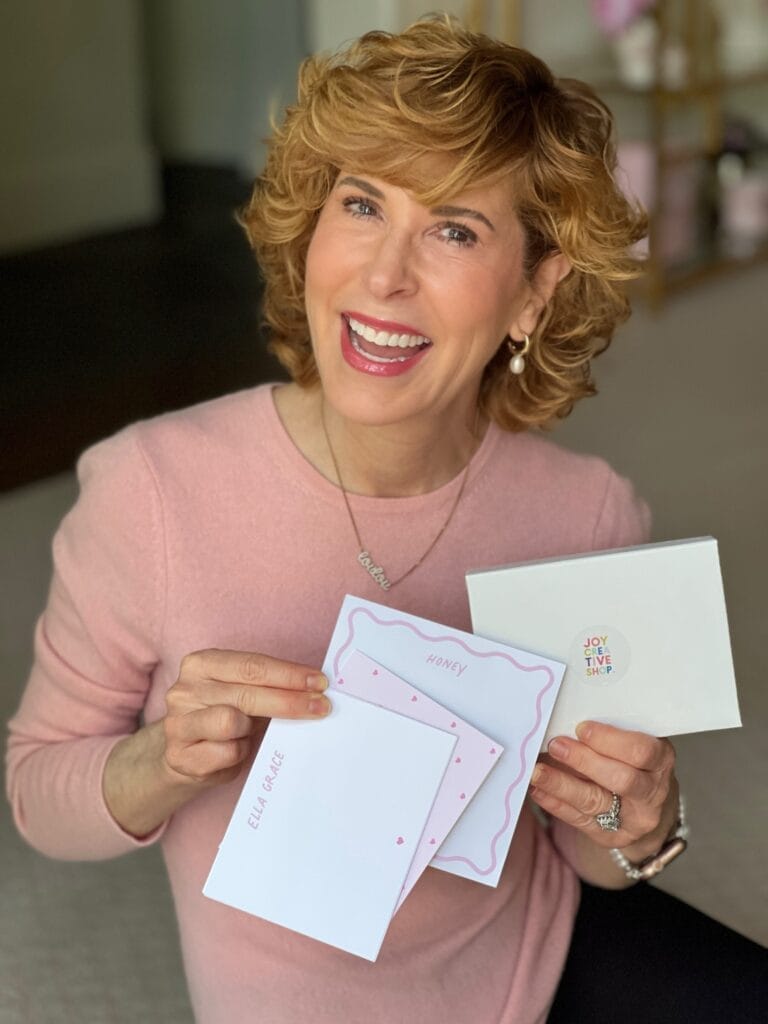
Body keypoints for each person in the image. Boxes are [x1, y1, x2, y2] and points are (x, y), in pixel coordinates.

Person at [5, 15, 766, 1024]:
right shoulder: (150, 488)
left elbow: (593, 858)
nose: (384, 275)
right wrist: (158, 761)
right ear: (309, 230)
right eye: (361, 204)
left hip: (527, 960)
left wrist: (638, 818)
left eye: (455, 227)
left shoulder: (587, 509)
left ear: (535, 294)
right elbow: (37, 797)